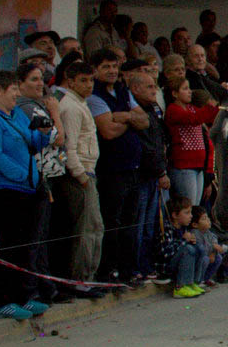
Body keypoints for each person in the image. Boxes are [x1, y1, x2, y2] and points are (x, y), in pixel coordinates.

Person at [0, 71, 53, 319]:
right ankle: (2, 301)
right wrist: (21, 175)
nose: (17, 95)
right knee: (7, 247)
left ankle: (23, 296)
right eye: (13, 90)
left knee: (23, 247)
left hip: (28, 189)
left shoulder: (16, 113)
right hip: (5, 191)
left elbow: (31, 142)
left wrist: (43, 134)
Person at [87, 48, 149, 284]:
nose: (112, 71)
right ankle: (108, 271)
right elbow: (108, 131)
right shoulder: (94, 96)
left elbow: (144, 120)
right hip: (111, 170)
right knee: (112, 222)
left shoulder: (123, 91)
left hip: (133, 168)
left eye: (114, 66)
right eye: (106, 67)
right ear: (95, 70)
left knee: (131, 223)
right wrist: (130, 119)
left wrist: (125, 117)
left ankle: (127, 270)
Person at [16, 62, 67, 302]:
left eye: (41, 79)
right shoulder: (27, 108)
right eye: (34, 79)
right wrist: (55, 111)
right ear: (19, 84)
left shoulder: (37, 106)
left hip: (50, 177)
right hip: (39, 178)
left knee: (45, 235)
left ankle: (47, 285)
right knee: (36, 237)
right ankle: (36, 288)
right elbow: (57, 138)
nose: (40, 84)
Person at [54, 60, 105, 294]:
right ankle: (80, 279)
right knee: (87, 228)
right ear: (71, 81)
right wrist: (81, 175)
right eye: (83, 81)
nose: (88, 85)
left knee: (95, 226)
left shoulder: (81, 103)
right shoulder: (71, 107)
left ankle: (88, 277)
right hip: (80, 174)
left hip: (88, 170)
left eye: (91, 80)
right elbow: (68, 147)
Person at [129, 71, 169, 280]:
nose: (154, 91)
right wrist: (160, 171)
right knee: (139, 224)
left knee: (151, 224)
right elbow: (147, 147)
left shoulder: (153, 109)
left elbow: (159, 141)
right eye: (149, 87)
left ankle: (147, 265)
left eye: (155, 86)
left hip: (154, 174)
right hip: (143, 174)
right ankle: (135, 267)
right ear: (135, 89)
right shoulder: (137, 112)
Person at [164, 76, 218, 204]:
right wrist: (212, 106)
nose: (190, 92)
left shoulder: (191, 108)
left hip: (198, 165)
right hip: (184, 166)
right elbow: (194, 119)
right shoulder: (173, 110)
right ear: (174, 93)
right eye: (185, 89)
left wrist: (219, 106)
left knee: (195, 206)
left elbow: (210, 116)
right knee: (189, 204)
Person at [157, 196, 208, 298]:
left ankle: (193, 282)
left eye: (190, 212)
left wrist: (192, 242)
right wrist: (184, 241)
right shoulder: (166, 228)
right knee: (188, 249)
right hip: (167, 267)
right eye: (187, 213)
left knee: (199, 248)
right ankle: (180, 287)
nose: (191, 216)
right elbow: (165, 253)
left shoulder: (183, 227)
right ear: (175, 215)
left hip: (181, 264)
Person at [190, 205, 225, 285]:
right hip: (199, 258)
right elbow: (200, 248)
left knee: (218, 258)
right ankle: (197, 281)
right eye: (204, 219)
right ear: (195, 224)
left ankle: (206, 278)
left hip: (209, 253)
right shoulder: (194, 233)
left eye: (207, 217)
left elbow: (214, 239)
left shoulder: (207, 232)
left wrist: (214, 251)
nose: (208, 220)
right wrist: (212, 248)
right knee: (205, 259)